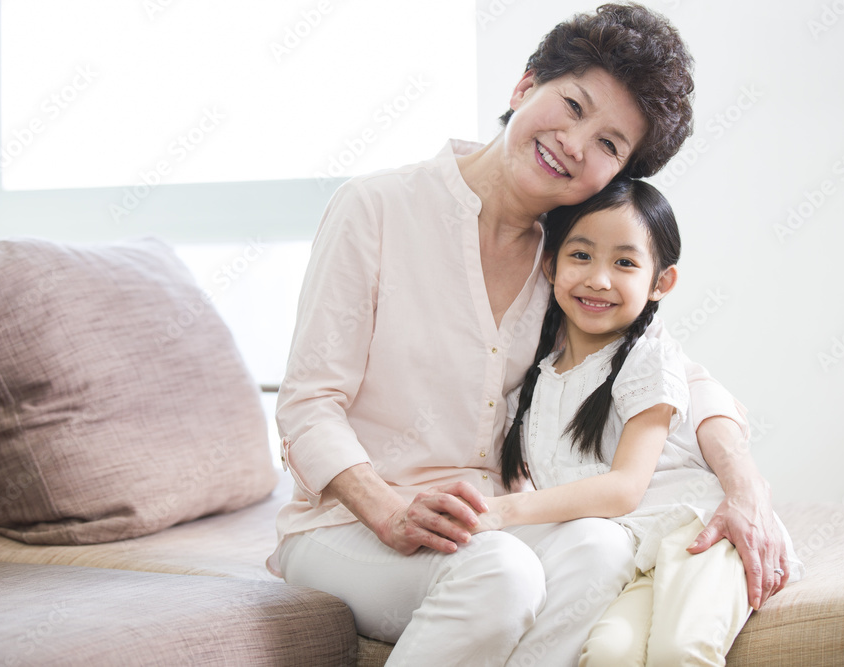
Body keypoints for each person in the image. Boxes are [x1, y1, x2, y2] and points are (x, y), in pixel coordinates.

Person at [268, 4, 789, 665]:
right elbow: (309, 401)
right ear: (523, 88)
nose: (576, 143)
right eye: (572, 105)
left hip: (488, 524)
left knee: (601, 545)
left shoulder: (570, 261)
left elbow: (678, 375)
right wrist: (386, 508)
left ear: (617, 175)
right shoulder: (376, 209)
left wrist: (747, 488)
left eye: (608, 143)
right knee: (502, 573)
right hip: (346, 527)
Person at [475, 177, 804, 666]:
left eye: (625, 263)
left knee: (680, 650)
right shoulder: (535, 382)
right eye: (581, 256)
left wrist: (501, 514)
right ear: (551, 264)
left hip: (703, 534)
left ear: (660, 283)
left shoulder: (649, 362)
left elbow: (624, 489)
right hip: (636, 555)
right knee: (607, 654)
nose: (599, 279)